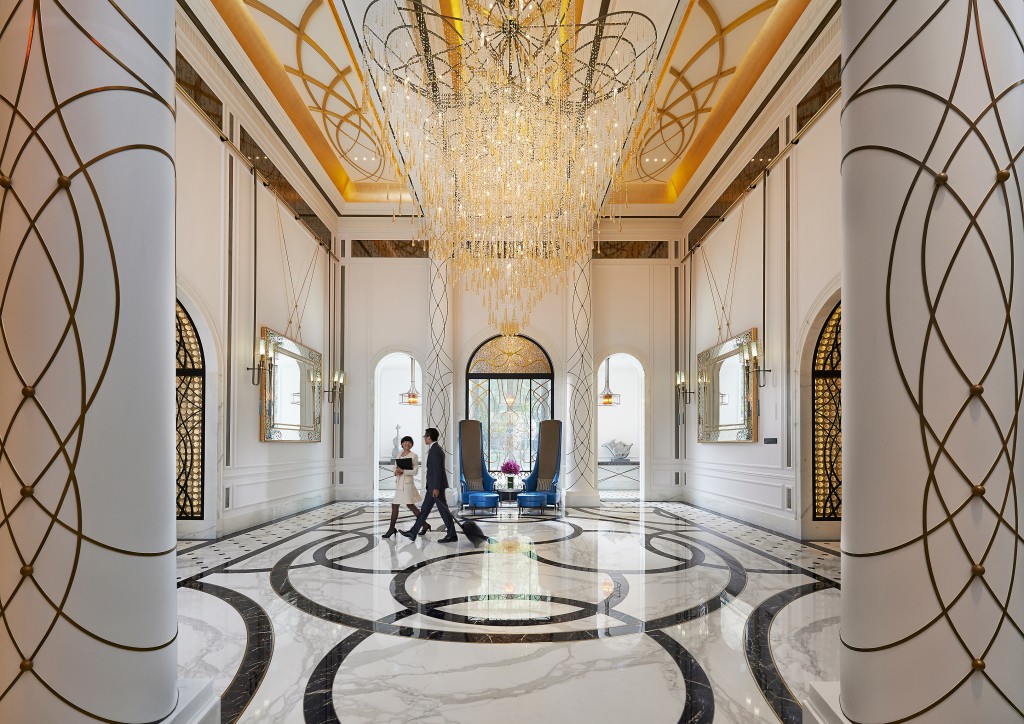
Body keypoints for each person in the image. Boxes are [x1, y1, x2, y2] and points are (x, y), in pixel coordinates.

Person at [400, 427, 457, 543]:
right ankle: (413, 532)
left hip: (435, 488)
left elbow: (436, 470)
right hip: (432, 487)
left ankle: (452, 535)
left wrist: (436, 487)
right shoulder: (434, 449)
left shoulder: (435, 450)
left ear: (429, 437)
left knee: (443, 511)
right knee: (425, 510)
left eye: (425, 436)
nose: (424, 439)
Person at [381, 436, 429, 538]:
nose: (407, 444)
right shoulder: (399, 454)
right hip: (399, 484)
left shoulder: (414, 456)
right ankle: (391, 529)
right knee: (395, 505)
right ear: (402, 444)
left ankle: (424, 524)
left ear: (411, 444)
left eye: (409, 442)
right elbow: (395, 467)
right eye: (405, 442)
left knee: (410, 505)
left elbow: (415, 471)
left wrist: (403, 471)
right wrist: (396, 471)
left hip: (407, 484)